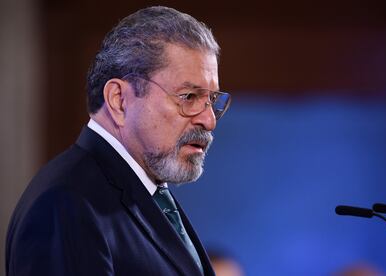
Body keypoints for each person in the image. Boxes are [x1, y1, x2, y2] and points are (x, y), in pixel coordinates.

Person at [6, 6, 231, 276]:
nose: (209, 120)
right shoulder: (66, 204)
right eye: (189, 97)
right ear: (119, 100)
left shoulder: (146, 191)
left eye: (211, 100)